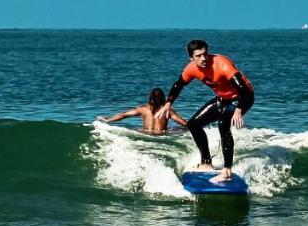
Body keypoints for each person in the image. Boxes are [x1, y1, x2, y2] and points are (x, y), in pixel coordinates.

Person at [154, 39, 255, 183]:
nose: (203, 58)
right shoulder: (191, 69)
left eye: (205, 54)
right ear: (191, 58)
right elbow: (179, 85)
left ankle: (227, 171)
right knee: (193, 124)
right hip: (223, 98)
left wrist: (239, 109)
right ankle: (206, 162)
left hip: (243, 97)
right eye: (198, 56)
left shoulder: (222, 64)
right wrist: (168, 103)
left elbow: (244, 91)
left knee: (223, 124)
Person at [97, 87, 188, 135]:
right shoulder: (168, 111)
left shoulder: (143, 109)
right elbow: (183, 122)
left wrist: (108, 119)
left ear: (150, 98)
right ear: (163, 98)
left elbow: (123, 115)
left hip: (146, 134)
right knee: (179, 129)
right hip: (161, 135)